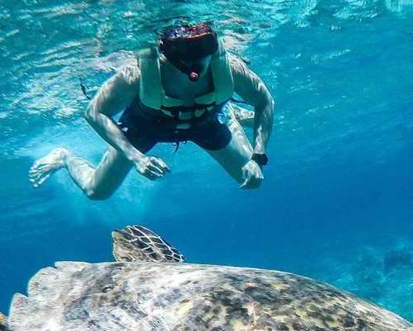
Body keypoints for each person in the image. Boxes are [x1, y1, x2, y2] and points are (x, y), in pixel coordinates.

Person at [29, 22, 274, 199]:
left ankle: (230, 115)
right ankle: (64, 157)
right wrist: (137, 158)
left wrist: (258, 157)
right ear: (168, 54)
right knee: (96, 191)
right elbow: (94, 112)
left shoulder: (230, 68)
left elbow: (265, 101)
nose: (196, 59)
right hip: (145, 125)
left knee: (251, 181)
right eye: (186, 51)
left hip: (205, 121)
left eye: (203, 47)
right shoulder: (139, 74)